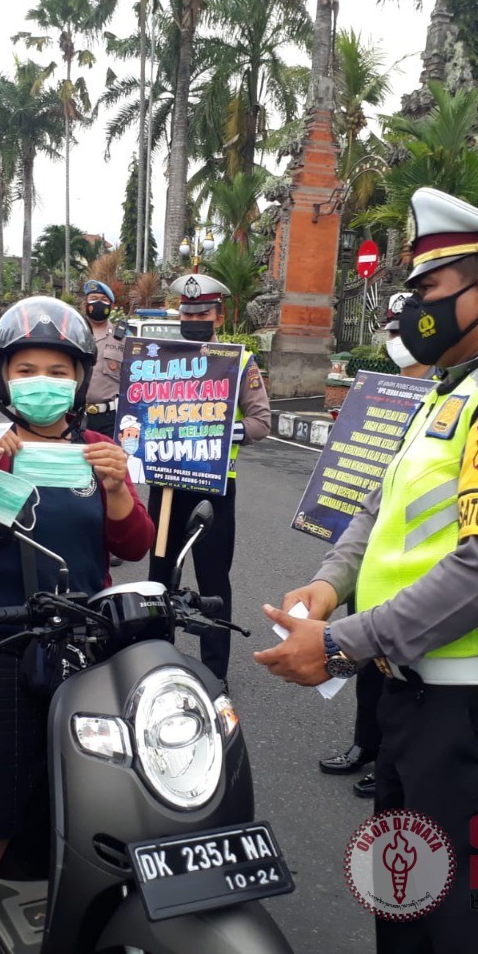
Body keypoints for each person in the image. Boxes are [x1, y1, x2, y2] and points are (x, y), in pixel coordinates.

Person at [256, 187, 478, 954]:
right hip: (421, 702)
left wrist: (341, 645)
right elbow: (382, 506)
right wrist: (330, 583)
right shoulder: (452, 393)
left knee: (477, 933)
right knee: (408, 911)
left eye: (427, 289)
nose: (409, 308)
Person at [0, 297, 154, 954]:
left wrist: (117, 489)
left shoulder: (101, 451)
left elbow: (134, 545)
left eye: (56, 370)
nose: (42, 382)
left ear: (79, 379)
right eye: (26, 370)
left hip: (87, 639)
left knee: (125, 791)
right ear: (4, 378)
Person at [319, 291, 436, 799]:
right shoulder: (378, 390)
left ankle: (392, 756)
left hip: (418, 557)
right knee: (365, 660)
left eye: (401, 330)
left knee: (403, 669)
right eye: (389, 330)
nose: (395, 340)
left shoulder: (448, 395)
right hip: (371, 544)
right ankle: (365, 744)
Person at [145, 272, 271, 683]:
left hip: (213, 488)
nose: (194, 320)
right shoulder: (161, 361)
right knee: (158, 576)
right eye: (188, 313)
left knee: (214, 581)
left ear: (218, 315)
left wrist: (219, 430)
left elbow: (261, 422)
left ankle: (215, 674)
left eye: (202, 314)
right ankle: (153, 659)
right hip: (167, 484)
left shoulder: (239, 362)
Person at [80, 278, 126, 436]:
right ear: (85, 304)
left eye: (104, 300)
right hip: (77, 415)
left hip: (110, 418)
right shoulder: (74, 333)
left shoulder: (122, 338)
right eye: (93, 298)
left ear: (112, 306)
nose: (99, 303)